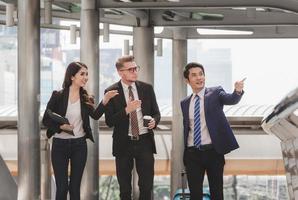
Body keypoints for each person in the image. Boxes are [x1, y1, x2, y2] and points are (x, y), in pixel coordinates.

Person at [42, 61, 118, 200]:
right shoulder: (57, 96)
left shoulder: (86, 98)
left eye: (87, 74)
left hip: (79, 145)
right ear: (72, 76)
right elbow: (45, 120)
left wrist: (105, 100)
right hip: (59, 145)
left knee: (75, 187)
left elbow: (95, 116)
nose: (85, 77)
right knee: (62, 187)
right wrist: (60, 127)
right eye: (82, 74)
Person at [180, 62, 245, 199]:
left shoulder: (215, 93)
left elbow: (231, 99)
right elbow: (188, 127)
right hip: (192, 154)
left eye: (201, 74)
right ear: (187, 80)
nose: (199, 78)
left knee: (217, 193)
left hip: (213, 153)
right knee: (195, 195)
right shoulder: (185, 103)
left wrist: (237, 91)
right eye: (194, 75)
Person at [104, 55, 160, 200]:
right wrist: (126, 110)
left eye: (136, 68)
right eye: (131, 69)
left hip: (145, 142)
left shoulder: (147, 88)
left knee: (146, 187)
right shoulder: (111, 92)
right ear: (120, 72)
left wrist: (155, 121)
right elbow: (109, 121)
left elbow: (156, 113)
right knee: (124, 189)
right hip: (123, 143)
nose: (135, 71)